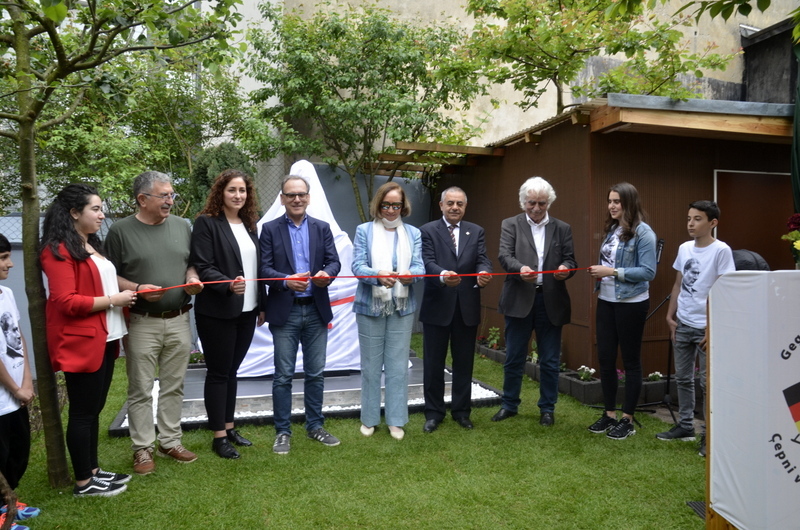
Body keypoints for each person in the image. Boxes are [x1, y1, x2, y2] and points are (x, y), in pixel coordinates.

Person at [40, 184, 138, 497]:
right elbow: (65, 301)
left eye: (101, 208)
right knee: (83, 413)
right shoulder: (57, 250)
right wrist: (113, 300)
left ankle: (94, 471)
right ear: (73, 212)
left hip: (106, 337)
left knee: (94, 410)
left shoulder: (90, 244)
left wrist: (126, 295)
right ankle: (84, 482)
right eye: (95, 209)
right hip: (81, 342)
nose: (101, 214)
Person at [105, 171, 204, 474]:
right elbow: (108, 275)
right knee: (141, 388)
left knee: (174, 385)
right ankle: (142, 448)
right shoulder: (121, 231)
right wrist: (137, 288)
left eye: (172, 195)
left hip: (179, 318)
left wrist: (192, 278)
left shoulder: (182, 226)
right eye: (164, 195)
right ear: (142, 199)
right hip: (142, 321)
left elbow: (191, 263)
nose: (170, 201)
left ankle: (170, 441)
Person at [260, 174, 341, 454]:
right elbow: (264, 269)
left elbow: (334, 261)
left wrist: (326, 274)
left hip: (316, 310)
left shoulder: (322, 228)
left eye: (301, 194)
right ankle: (282, 432)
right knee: (283, 375)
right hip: (286, 312)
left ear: (308, 197)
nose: (296, 199)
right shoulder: (269, 229)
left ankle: (315, 426)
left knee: (316, 373)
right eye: (291, 195)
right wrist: (285, 281)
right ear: (282, 198)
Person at [190, 169, 266, 459]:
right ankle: (218, 436)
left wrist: (261, 305)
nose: (238, 195)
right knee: (219, 373)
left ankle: (230, 427)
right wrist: (227, 285)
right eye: (232, 190)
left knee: (233, 371)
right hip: (217, 311)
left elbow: (257, 269)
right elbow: (202, 265)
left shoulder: (249, 224)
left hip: (247, 311)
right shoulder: (206, 223)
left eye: (242, 190)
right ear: (220, 192)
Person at [492, 177, 576, 427]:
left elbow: (571, 259)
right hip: (519, 298)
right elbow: (504, 255)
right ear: (523, 202)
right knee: (514, 356)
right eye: (531, 203)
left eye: (542, 203)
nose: (537, 208)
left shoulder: (562, 228)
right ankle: (509, 404)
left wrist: (565, 269)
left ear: (549, 202)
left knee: (549, 360)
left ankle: (547, 409)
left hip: (551, 300)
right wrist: (520, 269)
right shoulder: (510, 224)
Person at [657, 200, 734, 457]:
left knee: (707, 383)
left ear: (713, 223)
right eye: (689, 218)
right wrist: (670, 316)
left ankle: (709, 435)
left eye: (697, 219)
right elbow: (678, 284)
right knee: (683, 378)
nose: (691, 223)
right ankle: (686, 426)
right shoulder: (684, 248)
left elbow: (724, 292)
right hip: (683, 323)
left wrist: (713, 328)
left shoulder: (721, 251)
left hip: (706, 327)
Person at [351, 182, 424, 441]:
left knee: (398, 367)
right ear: (378, 205)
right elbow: (357, 266)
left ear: (403, 207)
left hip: (401, 308)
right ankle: (369, 418)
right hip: (370, 307)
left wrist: (410, 275)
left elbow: (419, 267)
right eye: (386, 205)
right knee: (371, 366)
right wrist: (377, 275)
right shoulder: (364, 230)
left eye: (396, 205)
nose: (391, 210)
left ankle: (396, 420)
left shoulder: (413, 233)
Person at [419, 187, 492, 433]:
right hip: (437, 306)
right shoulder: (427, 230)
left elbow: (482, 258)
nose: (455, 207)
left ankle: (462, 412)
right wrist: (443, 275)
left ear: (465, 207)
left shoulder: (476, 231)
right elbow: (426, 261)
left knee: (464, 363)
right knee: (433, 363)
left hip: (466, 307)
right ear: (441, 205)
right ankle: (433, 413)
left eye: (459, 204)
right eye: (450, 203)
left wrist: (483, 272)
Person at [588, 182, 657, 440]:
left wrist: (612, 271)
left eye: (617, 201)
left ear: (629, 203)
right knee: (605, 359)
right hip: (606, 300)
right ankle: (609, 414)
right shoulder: (613, 230)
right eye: (610, 201)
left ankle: (627, 419)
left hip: (631, 303)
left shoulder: (644, 233)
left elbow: (648, 271)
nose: (612, 206)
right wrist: (602, 273)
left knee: (630, 361)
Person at [0, 234, 41, 521]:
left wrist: (27, 381)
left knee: (18, 451)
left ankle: (8, 502)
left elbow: (17, 337)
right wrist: (15, 388)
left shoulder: (6, 294)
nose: (10, 263)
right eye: (3, 258)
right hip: (4, 396)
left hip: (16, 393)